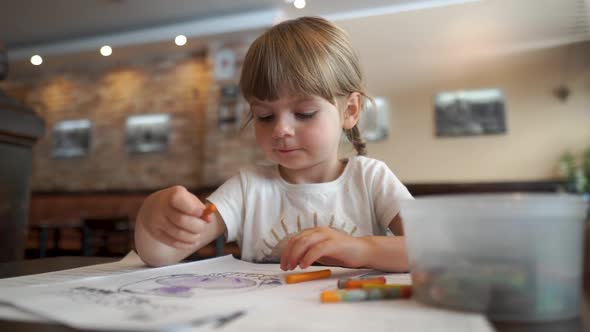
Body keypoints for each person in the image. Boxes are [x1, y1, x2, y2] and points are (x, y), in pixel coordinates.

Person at [134, 16, 413, 272]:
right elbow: (160, 255)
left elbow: (435, 251)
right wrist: (152, 217)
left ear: (350, 110)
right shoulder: (248, 188)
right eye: (265, 116)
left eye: (304, 113)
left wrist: (363, 249)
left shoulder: (371, 179)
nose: (281, 130)